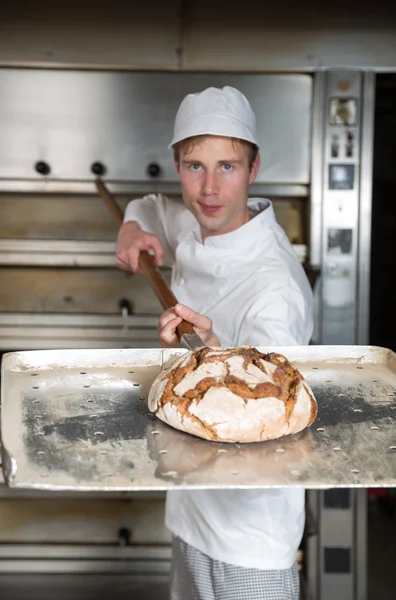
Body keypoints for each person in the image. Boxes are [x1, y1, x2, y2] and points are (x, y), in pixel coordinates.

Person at [116, 85, 314, 600]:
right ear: (177, 164)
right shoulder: (195, 220)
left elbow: (273, 411)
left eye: (226, 166)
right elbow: (151, 206)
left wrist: (214, 347)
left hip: (249, 535)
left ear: (254, 168)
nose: (208, 188)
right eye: (193, 166)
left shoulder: (275, 287)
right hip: (188, 507)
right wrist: (132, 228)